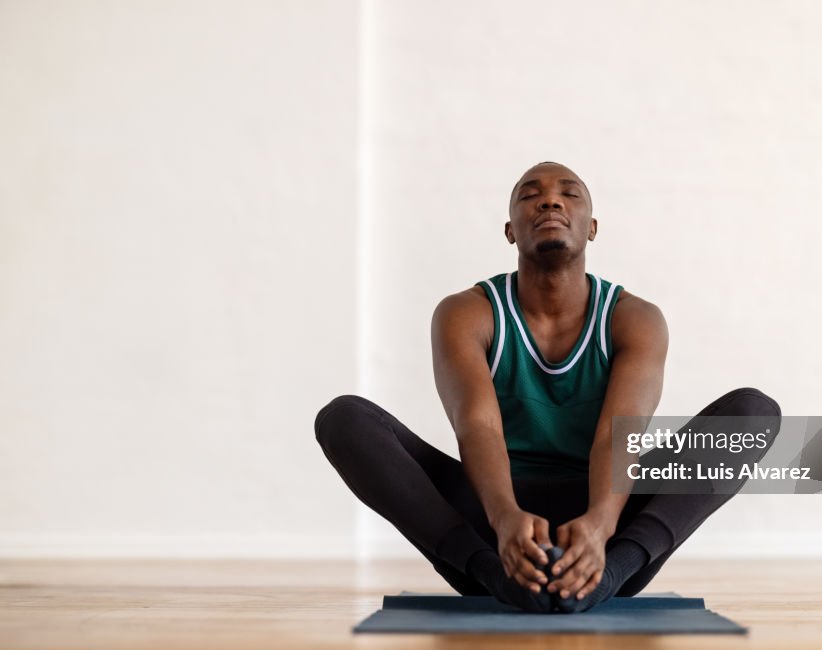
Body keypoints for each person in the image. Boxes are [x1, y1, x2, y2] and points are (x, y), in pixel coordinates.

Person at [314, 161, 781, 613]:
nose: (550, 201)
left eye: (568, 194)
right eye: (530, 195)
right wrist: (503, 519)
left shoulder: (634, 318)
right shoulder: (466, 312)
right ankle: (496, 576)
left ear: (592, 227)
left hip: (611, 523)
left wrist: (600, 527)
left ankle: (610, 575)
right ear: (510, 230)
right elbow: (477, 424)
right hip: (492, 524)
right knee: (345, 419)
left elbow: (618, 434)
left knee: (753, 412)